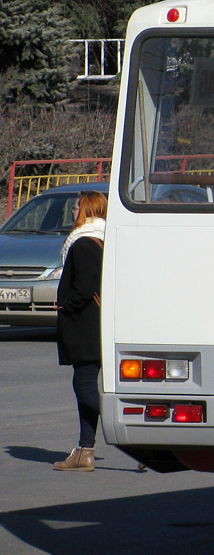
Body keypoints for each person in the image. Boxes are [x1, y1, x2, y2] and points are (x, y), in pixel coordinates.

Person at [54, 190, 107, 472]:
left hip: (85, 325)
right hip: (97, 323)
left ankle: (134, 428)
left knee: (85, 388)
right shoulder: (102, 240)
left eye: (76, 207)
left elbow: (84, 289)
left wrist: (64, 306)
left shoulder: (83, 244)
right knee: (84, 384)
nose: (73, 212)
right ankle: (85, 451)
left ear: (86, 210)